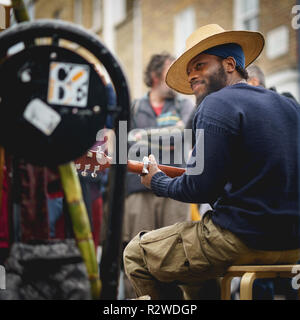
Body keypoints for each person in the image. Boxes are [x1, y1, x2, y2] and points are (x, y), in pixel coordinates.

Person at [123, 24, 300, 300]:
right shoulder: (291, 107)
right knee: (192, 276)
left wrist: (157, 181)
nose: (193, 75)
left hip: (241, 239)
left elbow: (201, 189)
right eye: (190, 70)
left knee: (136, 254)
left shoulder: (215, 103)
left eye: (201, 65)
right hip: (293, 244)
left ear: (230, 64)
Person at [122, 52, 194, 298]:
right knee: (136, 255)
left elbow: (182, 135)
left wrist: (142, 137)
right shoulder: (132, 107)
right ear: (154, 76)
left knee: (177, 255)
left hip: (175, 188)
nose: (178, 75)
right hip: (137, 190)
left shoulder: (186, 105)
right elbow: (125, 145)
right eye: (170, 70)